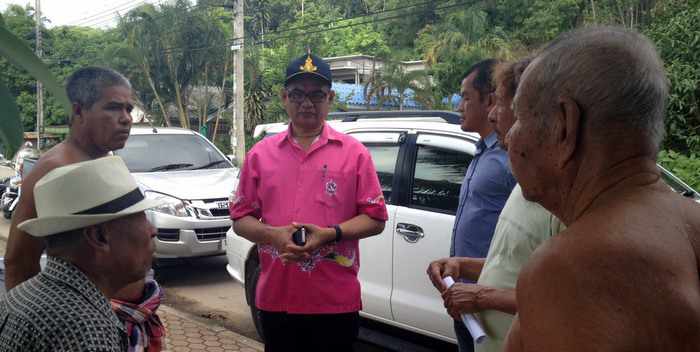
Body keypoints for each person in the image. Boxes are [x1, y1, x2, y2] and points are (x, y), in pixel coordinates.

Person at [502, 26, 700, 351]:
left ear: (564, 125)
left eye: (519, 118)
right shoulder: (690, 221)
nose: (510, 137)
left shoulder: (567, 270)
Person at [230, 53, 388, 352]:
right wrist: (273, 235)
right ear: (284, 98)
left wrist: (330, 234)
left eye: (316, 94)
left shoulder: (354, 154)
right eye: (298, 94)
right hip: (277, 298)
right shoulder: (260, 155)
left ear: (329, 97)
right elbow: (240, 218)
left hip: (335, 301)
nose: (307, 103)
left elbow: (376, 217)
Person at [427, 58, 564, 352]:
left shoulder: (562, 197)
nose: (492, 116)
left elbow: (564, 300)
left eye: (500, 105)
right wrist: (462, 265)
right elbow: (512, 261)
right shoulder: (522, 176)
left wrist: (480, 297)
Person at [0, 156, 164, 351]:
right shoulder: (87, 330)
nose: (153, 230)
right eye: (141, 218)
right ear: (100, 236)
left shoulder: (21, 295)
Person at [4, 66, 134, 290]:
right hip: (79, 316)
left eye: (128, 109)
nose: (126, 119)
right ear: (79, 112)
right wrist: (31, 319)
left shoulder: (105, 160)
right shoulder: (56, 169)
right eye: (113, 108)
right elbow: (18, 261)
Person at [440, 59, 516, 352]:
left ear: (491, 101)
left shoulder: (512, 157)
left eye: (466, 97)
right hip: (463, 291)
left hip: (493, 294)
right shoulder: (482, 152)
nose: (460, 106)